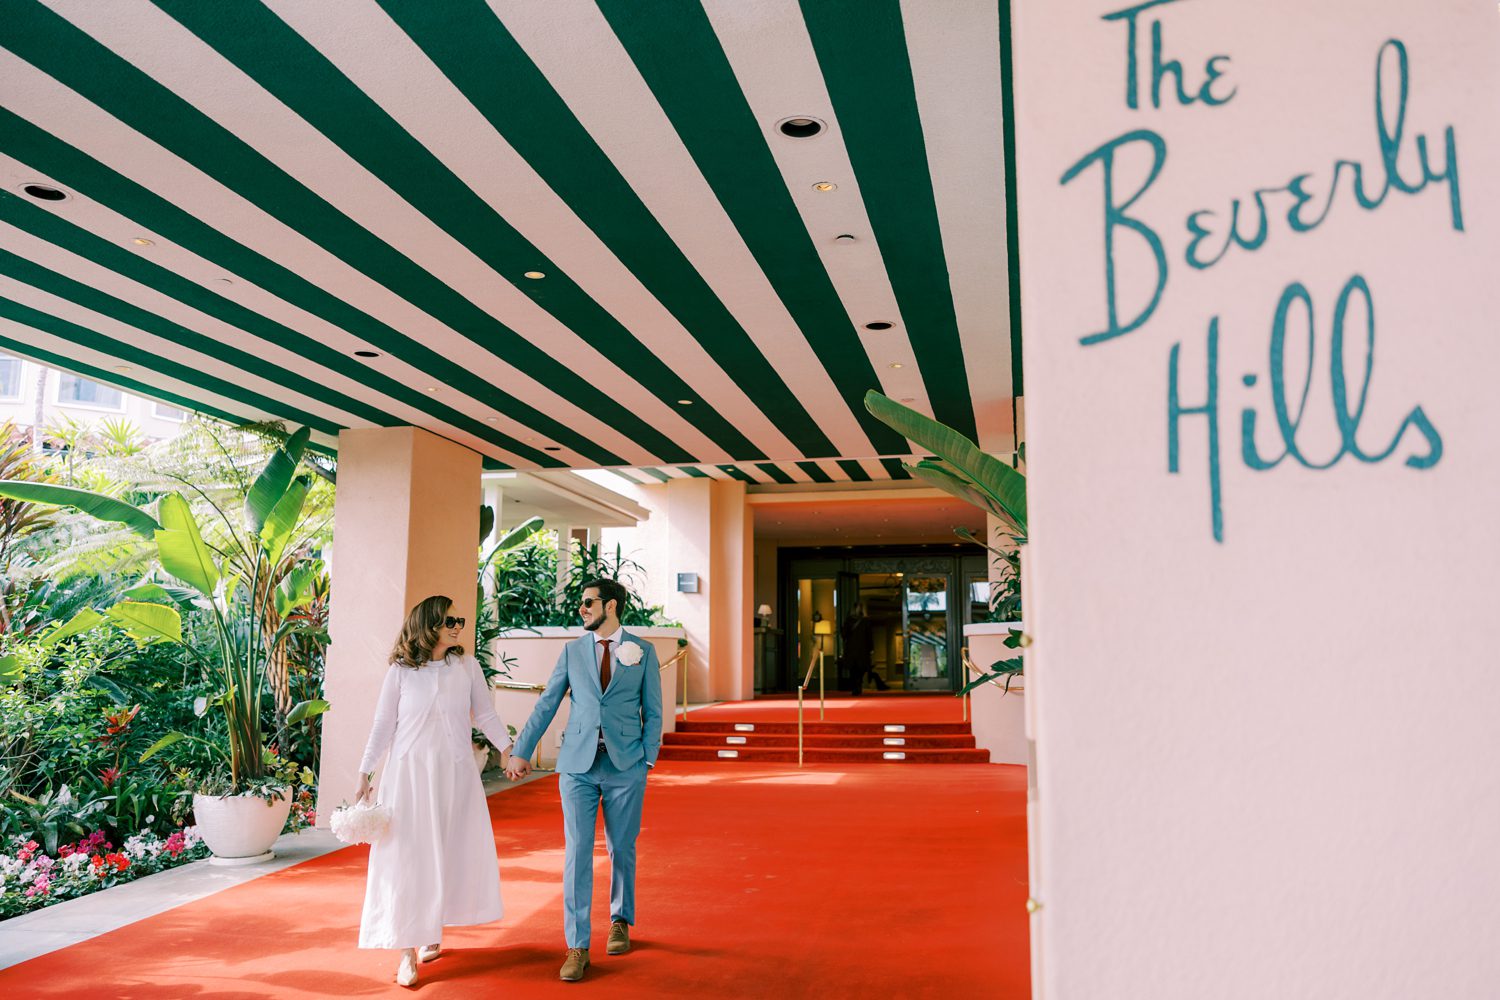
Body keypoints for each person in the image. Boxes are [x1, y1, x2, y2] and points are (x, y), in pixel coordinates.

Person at [505, 578, 663, 983]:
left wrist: (646, 758)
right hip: (577, 765)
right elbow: (548, 701)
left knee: (621, 846)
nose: (581, 609)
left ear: (611, 606)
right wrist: (522, 750)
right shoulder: (573, 651)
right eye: (581, 603)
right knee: (577, 852)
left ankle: (620, 920)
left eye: (588, 602)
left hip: (626, 765)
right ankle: (577, 946)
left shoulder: (642, 652)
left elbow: (653, 711)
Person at [355, 595, 514, 988]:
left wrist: (510, 751)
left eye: (458, 620)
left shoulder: (467, 667)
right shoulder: (401, 672)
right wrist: (364, 772)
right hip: (408, 776)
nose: (457, 625)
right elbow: (382, 726)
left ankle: (430, 931)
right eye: (449, 620)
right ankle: (406, 950)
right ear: (428, 625)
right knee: (407, 857)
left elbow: (486, 714)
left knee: (445, 850)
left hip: (454, 774)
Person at [841, 602, 887, 695]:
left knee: (853, 670)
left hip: (851, 649)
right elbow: (869, 636)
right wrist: (871, 649)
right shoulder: (865, 621)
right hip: (862, 650)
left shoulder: (849, 621)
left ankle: (855, 687)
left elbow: (844, 635)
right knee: (861, 669)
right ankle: (858, 685)